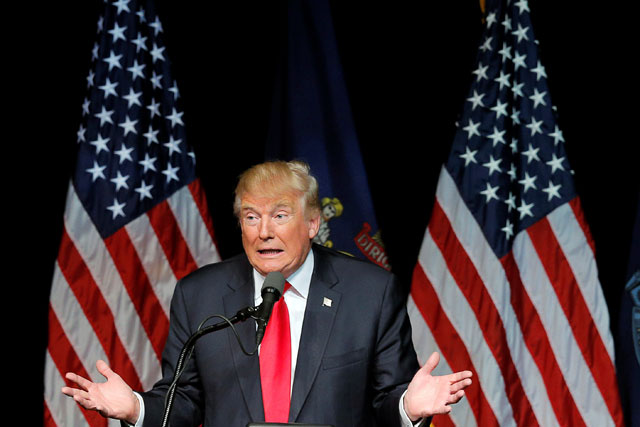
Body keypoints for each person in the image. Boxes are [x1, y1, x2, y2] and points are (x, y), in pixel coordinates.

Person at [62, 160, 472, 426]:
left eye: (279, 215)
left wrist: (409, 407)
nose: (264, 231)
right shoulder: (199, 295)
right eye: (252, 216)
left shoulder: (370, 293)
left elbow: (387, 401)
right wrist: (135, 408)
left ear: (313, 223)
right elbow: (183, 401)